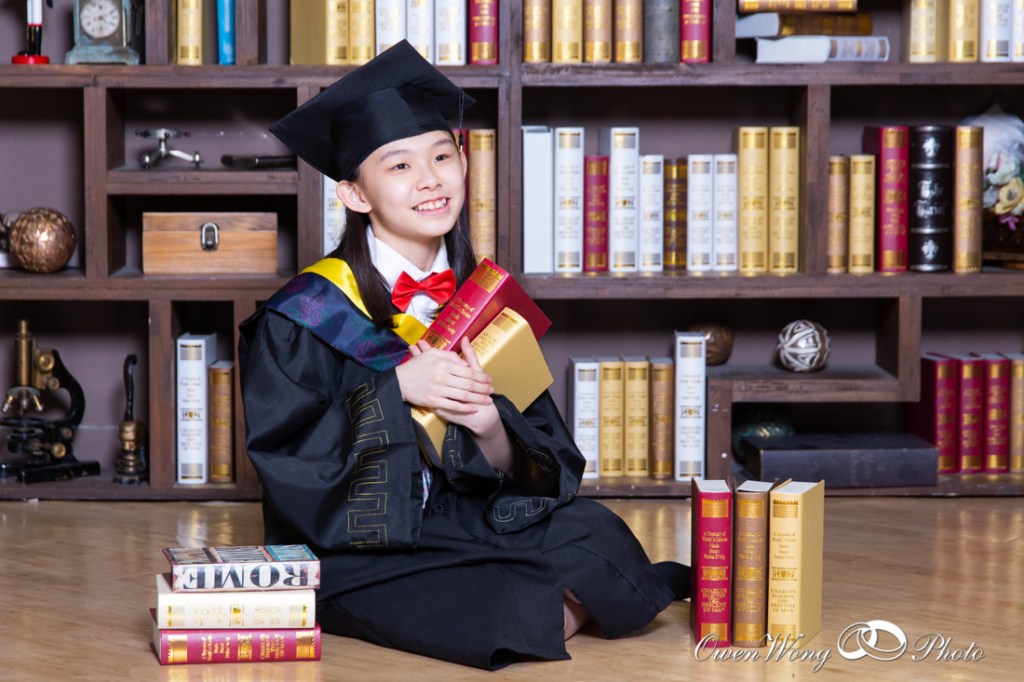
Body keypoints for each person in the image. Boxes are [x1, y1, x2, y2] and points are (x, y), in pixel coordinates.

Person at [238, 40, 689, 670]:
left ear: (463, 164)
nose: (430, 180)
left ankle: (547, 597)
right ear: (355, 195)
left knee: (595, 531)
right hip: (362, 543)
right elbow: (288, 462)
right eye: (399, 165)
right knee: (491, 601)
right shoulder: (304, 314)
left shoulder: (479, 301)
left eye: (442, 156)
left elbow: (541, 460)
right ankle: (554, 602)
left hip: (466, 517)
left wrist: (489, 427)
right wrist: (395, 388)